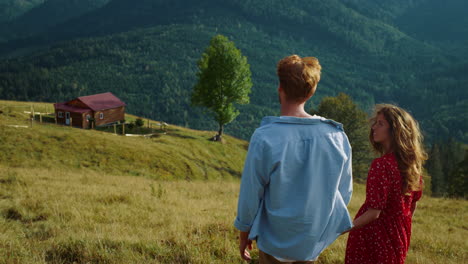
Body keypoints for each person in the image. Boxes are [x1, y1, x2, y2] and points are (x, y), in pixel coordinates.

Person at [234, 55, 353, 263]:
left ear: (280, 88)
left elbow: (251, 193)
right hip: (311, 244)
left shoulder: (266, 137)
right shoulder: (336, 136)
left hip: (273, 241)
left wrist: (244, 231)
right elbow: (344, 193)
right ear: (311, 91)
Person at [344, 104, 428, 264]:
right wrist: (399, 226)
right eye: (375, 122)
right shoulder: (411, 166)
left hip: (372, 239)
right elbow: (411, 207)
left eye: (380, 123)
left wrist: (343, 228)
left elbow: (374, 212)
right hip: (399, 237)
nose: (373, 127)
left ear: (395, 130)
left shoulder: (381, 165)